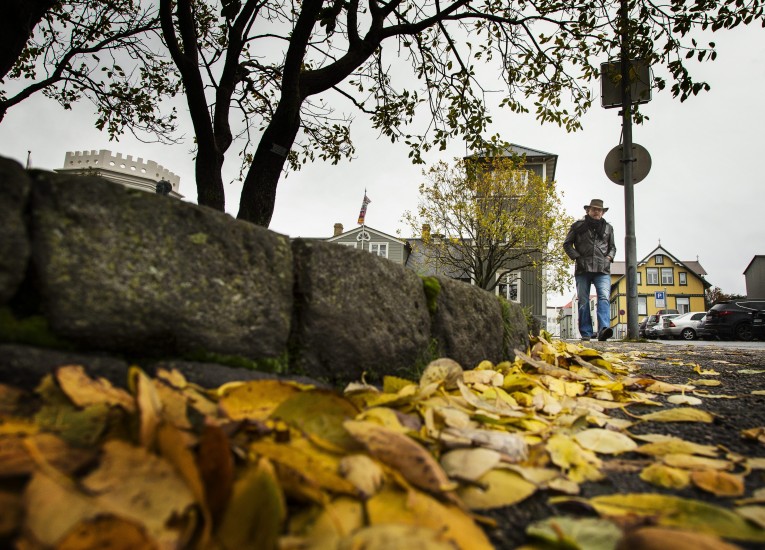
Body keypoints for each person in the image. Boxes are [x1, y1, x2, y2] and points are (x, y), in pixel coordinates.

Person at [563, 199, 617, 341]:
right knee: (583, 301)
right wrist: (577, 257)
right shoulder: (577, 226)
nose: (596, 212)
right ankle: (586, 333)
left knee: (604, 298)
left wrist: (609, 258)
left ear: (602, 212)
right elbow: (567, 244)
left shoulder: (608, 228)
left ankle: (603, 329)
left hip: (602, 269)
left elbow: (612, 247)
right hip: (583, 268)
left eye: (599, 210)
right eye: (594, 209)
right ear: (588, 210)